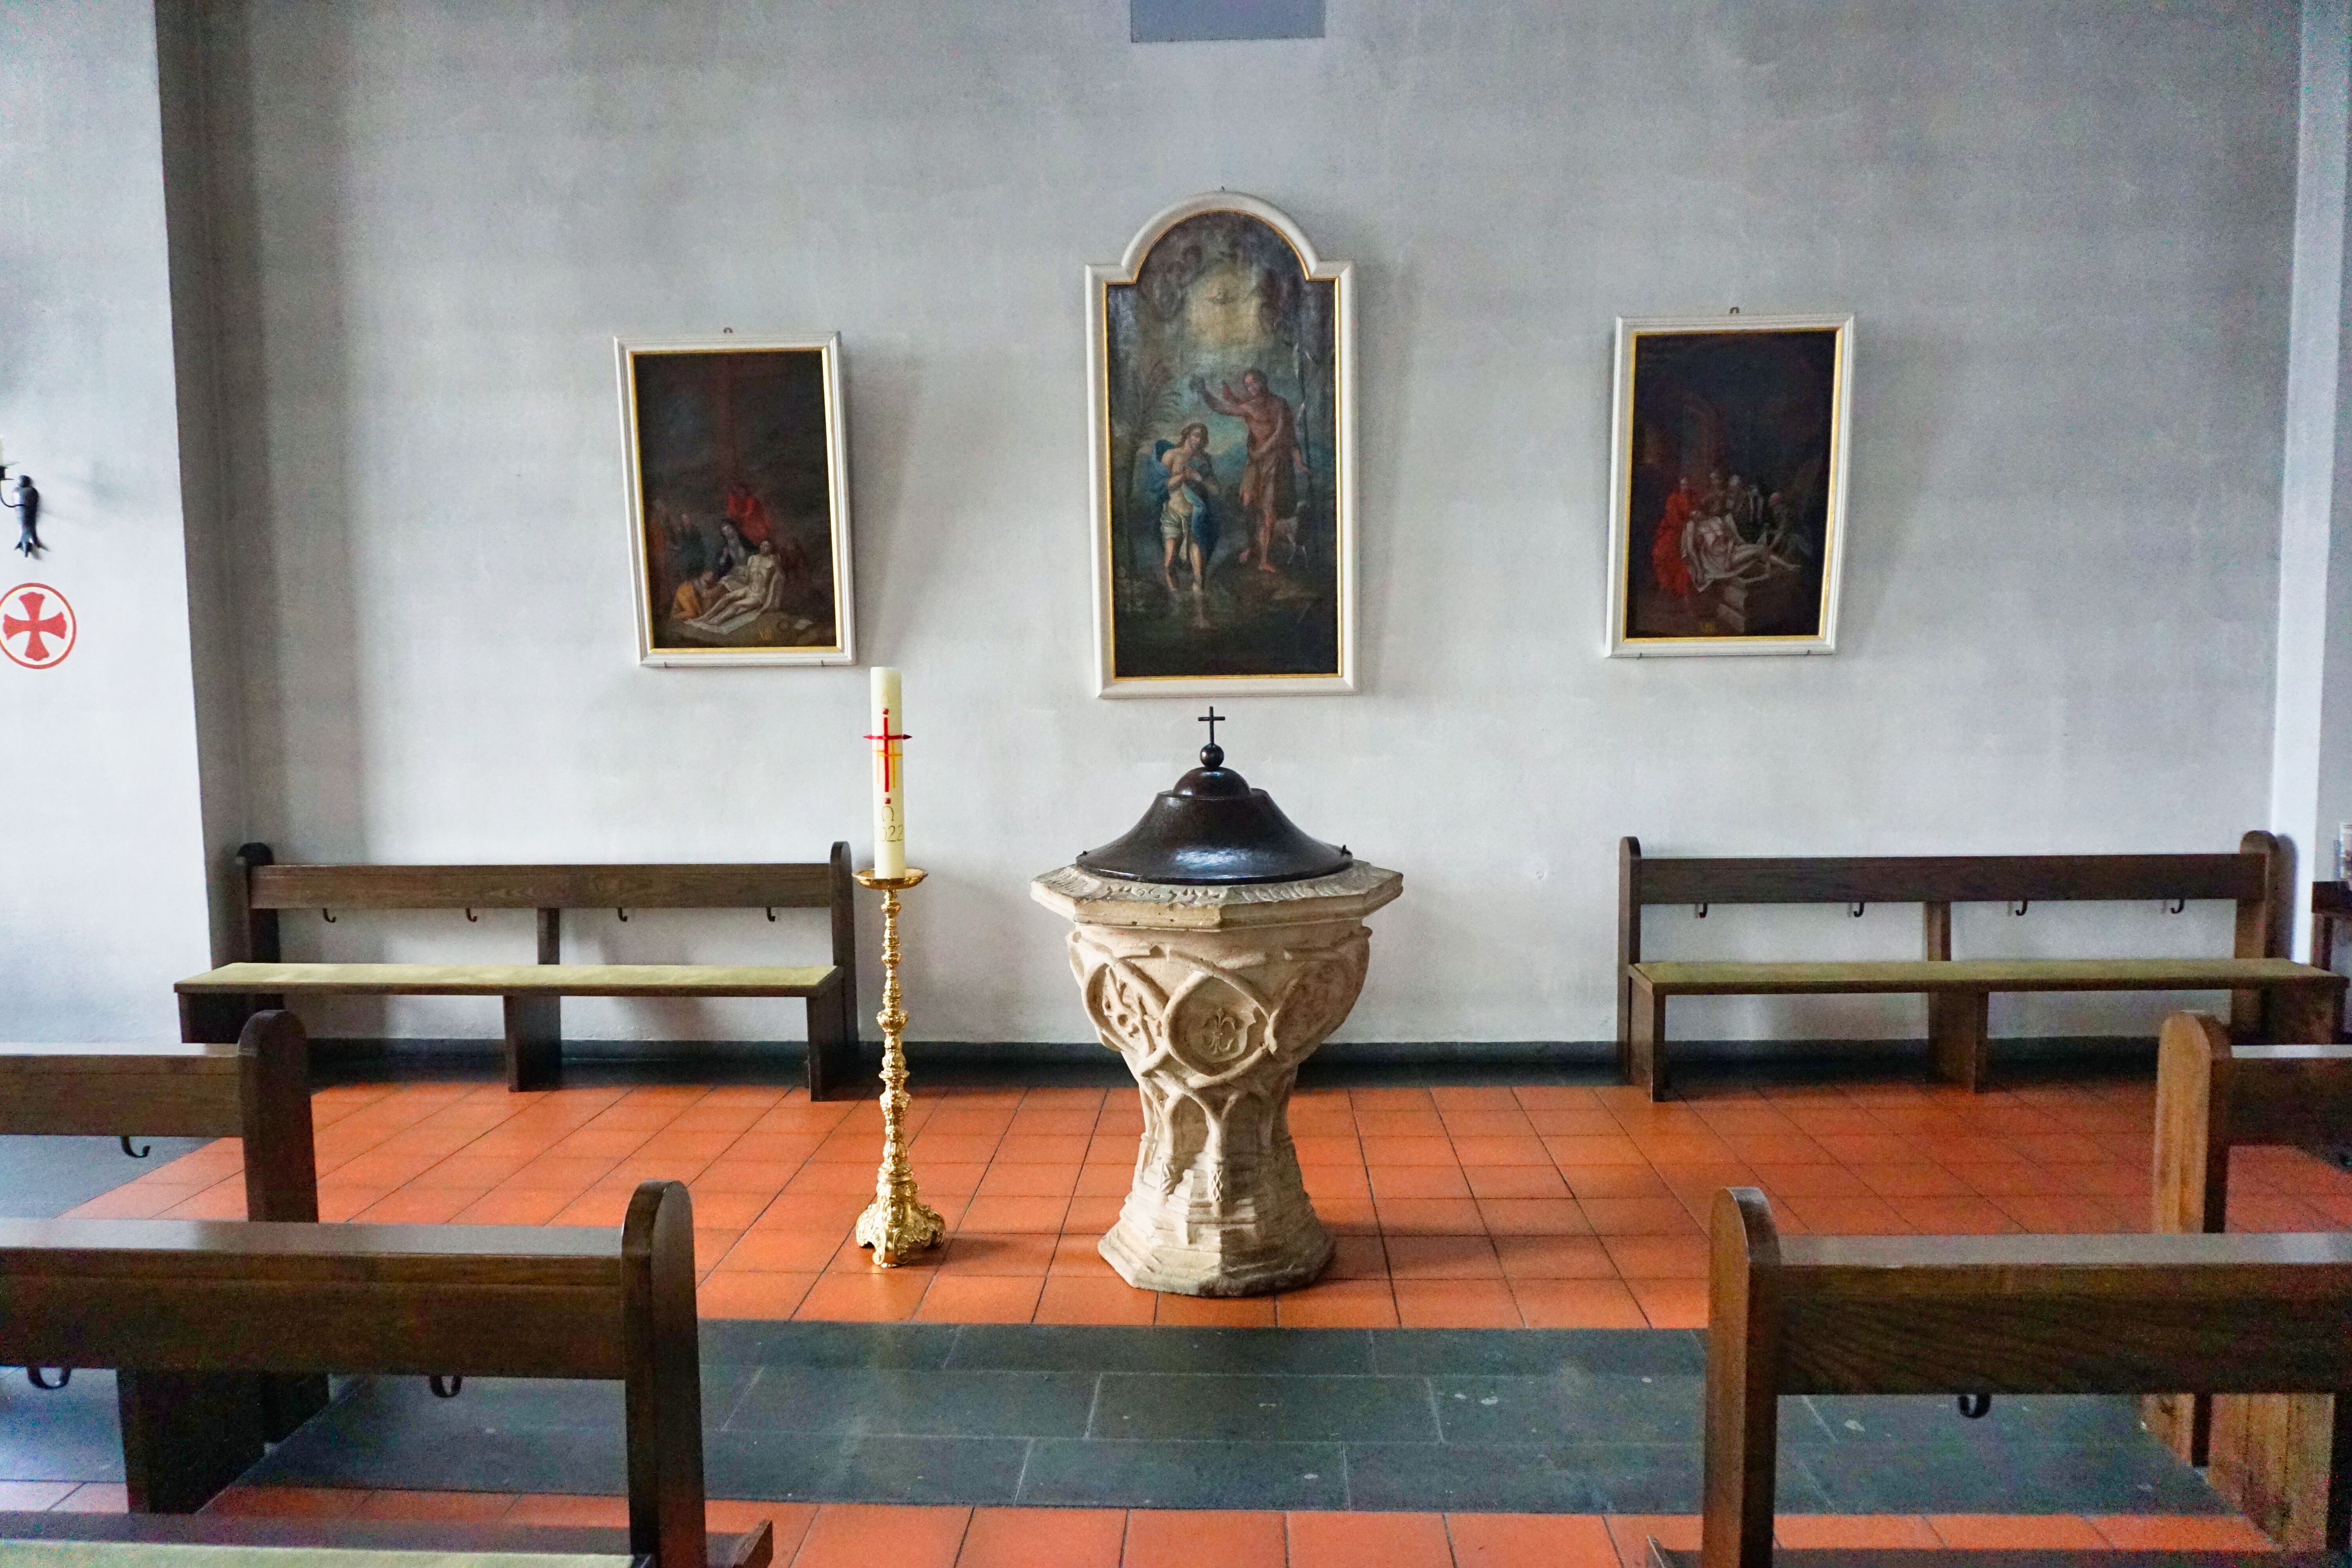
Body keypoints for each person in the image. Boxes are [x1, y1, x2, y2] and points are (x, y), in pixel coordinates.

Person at [1195, 368, 1304, 573]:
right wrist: (1205, 393)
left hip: (1274, 461)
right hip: (1255, 463)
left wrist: (1268, 452)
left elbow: (1282, 433)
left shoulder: (1279, 404)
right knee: (1248, 503)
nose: (1252, 387)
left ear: (1264, 381)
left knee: (1269, 508)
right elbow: (1223, 408)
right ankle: (1252, 546)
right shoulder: (1249, 406)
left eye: (1254, 382)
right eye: (1248, 385)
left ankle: (1264, 559)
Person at [1148, 423, 1219, 597]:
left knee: (1199, 572)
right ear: (1188, 435)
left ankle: (1200, 603)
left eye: (1202, 437)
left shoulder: (1204, 461)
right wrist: (1184, 476)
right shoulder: (1172, 455)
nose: (1199, 440)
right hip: (1173, 514)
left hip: (1195, 517)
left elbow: (1216, 490)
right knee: (1169, 564)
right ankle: (1176, 599)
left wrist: (1200, 479)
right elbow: (1162, 485)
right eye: (1196, 435)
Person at [687, 540, 785, 637]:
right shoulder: (752, 559)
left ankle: (716, 621)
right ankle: (705, 617)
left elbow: (781, 578)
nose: (764, 548)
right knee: (726, 597)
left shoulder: (773, 560)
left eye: (767, 546)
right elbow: (746, 579)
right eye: (763, 545)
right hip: (748, 589)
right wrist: (731, 578)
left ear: (771, 548)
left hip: (759, 596)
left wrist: (777, 566)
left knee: (736, 605)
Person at [1651, 475, 1694, 597]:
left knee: (1684, 555)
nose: (1685, 487)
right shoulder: (1674, 499)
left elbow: (1697, 512)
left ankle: (1679, 588)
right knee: (1663, 552)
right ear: (1680, 486)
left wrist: (1694, 517)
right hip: (1674, 530)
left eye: (1687, 485)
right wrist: (1686, 521)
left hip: (1687, 530)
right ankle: (1666, 584)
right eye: (1683, 485)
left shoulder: (1693, 498)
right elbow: (1673, 519)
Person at [724, 481, 773, 548]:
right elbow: (731, 512)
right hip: (744, 525)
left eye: (742, 490)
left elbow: (749, 513)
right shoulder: (735, 500)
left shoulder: (751, 500)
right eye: (738, 491)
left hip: (755, 524)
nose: (741, 493)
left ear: (746, 490)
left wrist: (739, 517)